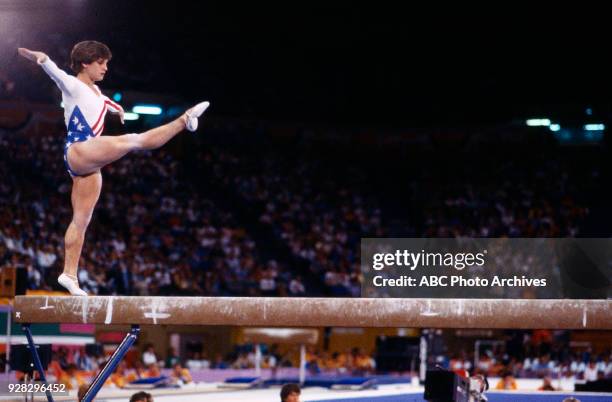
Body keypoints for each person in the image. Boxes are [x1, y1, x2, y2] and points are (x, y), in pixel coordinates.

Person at [18, 41, 209, 296]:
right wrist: (39, 57)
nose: (106, 68)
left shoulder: (96, 91)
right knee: (133, 140)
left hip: (86, 163)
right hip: (79, 148)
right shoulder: (72, 84)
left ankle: (69, 275)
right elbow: (51, 68)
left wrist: (117, 109)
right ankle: (185, 121)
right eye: (101, 63)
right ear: (85, 63)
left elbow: (104, 102)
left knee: (81, 220)